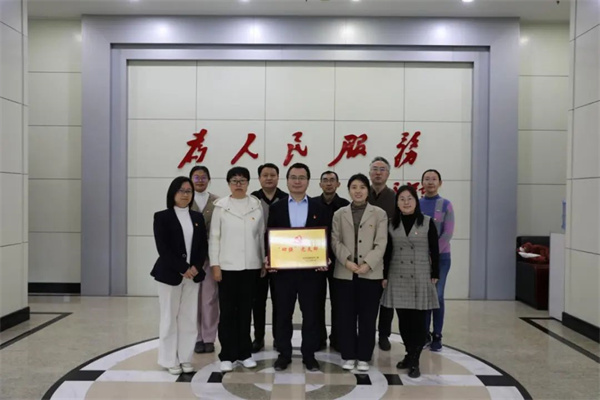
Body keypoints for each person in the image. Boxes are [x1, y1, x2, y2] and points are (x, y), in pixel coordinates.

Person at [267, 163, 330, 372]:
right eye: (293, 177)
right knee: (282, 314)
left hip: (311, 273)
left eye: (301, 178)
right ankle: (283, 354)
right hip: (283, 272)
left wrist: (325, 258)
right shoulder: (276, 208)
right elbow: (270, 235)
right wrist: (270, 258)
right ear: (287, 181)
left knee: (311, 314)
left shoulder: (319, 208)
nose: (297, 181)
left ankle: (309, 355)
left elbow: (326, 238)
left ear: (308, 181)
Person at [209, 167, 265, 372]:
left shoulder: (256, 205)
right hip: (227, 267)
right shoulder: (221, 206)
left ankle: (244, 353)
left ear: (248, 183)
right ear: (228, 184)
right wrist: (215, 265)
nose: (238, 184)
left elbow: (260, 236)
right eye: (234, 181)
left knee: (245, 311)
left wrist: (263, 261)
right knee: (227, 312)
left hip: (251, 266)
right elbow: (214, 238)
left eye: (242, 180)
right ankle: (227, 354)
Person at [151, 176, 208, 375]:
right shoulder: (162, 217)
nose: (185, 195)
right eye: (181, 191)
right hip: (170, 274)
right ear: (173, 193)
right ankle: (169, 359)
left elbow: (202, 247)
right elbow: (163, 248)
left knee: (189, 318)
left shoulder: (197, 218)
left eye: (189, 191)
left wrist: (196, 267)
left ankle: (185, 358)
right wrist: (183, 268)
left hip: (193, 275)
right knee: (169, 318)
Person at [331, 173, 388, 372]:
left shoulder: (379, 213)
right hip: (344, 272)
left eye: (362, 187)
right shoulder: (339, 214)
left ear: (367, 190)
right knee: (345, 316)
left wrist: (368, 264)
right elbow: (335, 241)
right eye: (354, 187)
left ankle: (364, 356)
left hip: (370, 274)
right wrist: (347, 261)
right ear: (348, 190)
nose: (358, 191)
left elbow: (381, 243)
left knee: (367, 317)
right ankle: (348, 354)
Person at [382, 185, 440, 378]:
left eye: (410, 198)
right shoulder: (391, 223)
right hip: (397, 274)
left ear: (416, 201)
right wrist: (384, 275)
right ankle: (409, 353)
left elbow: (434, 249)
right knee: (404, 320)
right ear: (397, 203)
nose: (406, 202)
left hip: (421, 274)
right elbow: (388, 251)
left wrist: (436, 272)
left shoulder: (427, 222)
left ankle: (415, 359)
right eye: (402, 199)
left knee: (418, 321)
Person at [250, 163, 288, 353]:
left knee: (280, 301)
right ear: (259, 178)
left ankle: (279, 338)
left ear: (278, 177)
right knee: (258, 301)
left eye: (272, 175)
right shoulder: (252, 199)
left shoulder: (286, 198)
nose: (269, 178)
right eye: (265, 175)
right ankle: (258, 338)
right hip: (257, 257)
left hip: (282, 257)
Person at [419, 169, 454, 352]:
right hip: (420, 259)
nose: (430, 182)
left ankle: (437, 334)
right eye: (427, 179)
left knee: (437, 295)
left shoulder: (446, 205)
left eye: (434, 179)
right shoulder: (417, 204)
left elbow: (447, 233)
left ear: (440, 183)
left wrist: (433, 253)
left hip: (441, 258)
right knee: (424, 296)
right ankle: (424, 333)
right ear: (422, 183)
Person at [367, 156, 397, 351]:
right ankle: (367, 333)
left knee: (387, 299)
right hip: (365, 254)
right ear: (369, 173)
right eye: (375, 169)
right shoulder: (362, 193)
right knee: (367, 298)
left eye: (382, 169)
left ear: (388, 174)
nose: (378, 173)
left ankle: (384, 334)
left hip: (389, 254)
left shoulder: (395, 197)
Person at [189, 166, 220, 355]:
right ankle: (196, 337)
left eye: (203, 177)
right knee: (192, 299)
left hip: (210, 256)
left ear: (209, 179)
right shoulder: (185, 199)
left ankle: (209, 337)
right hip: (190, 259)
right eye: (196, 177)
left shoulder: (217, 202)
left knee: (209, 298)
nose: (200, 180)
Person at [318, 170, 350, 351]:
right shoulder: (313, 204)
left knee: (339, 302)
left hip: (339, 261)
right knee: (316, 301)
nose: (329, 183)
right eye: (325, 180)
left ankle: (337, 339)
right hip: (316, 261)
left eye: (332, 180)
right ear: (320, 184)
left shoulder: (345, 206)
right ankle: (319, 338)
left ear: (338, 184)